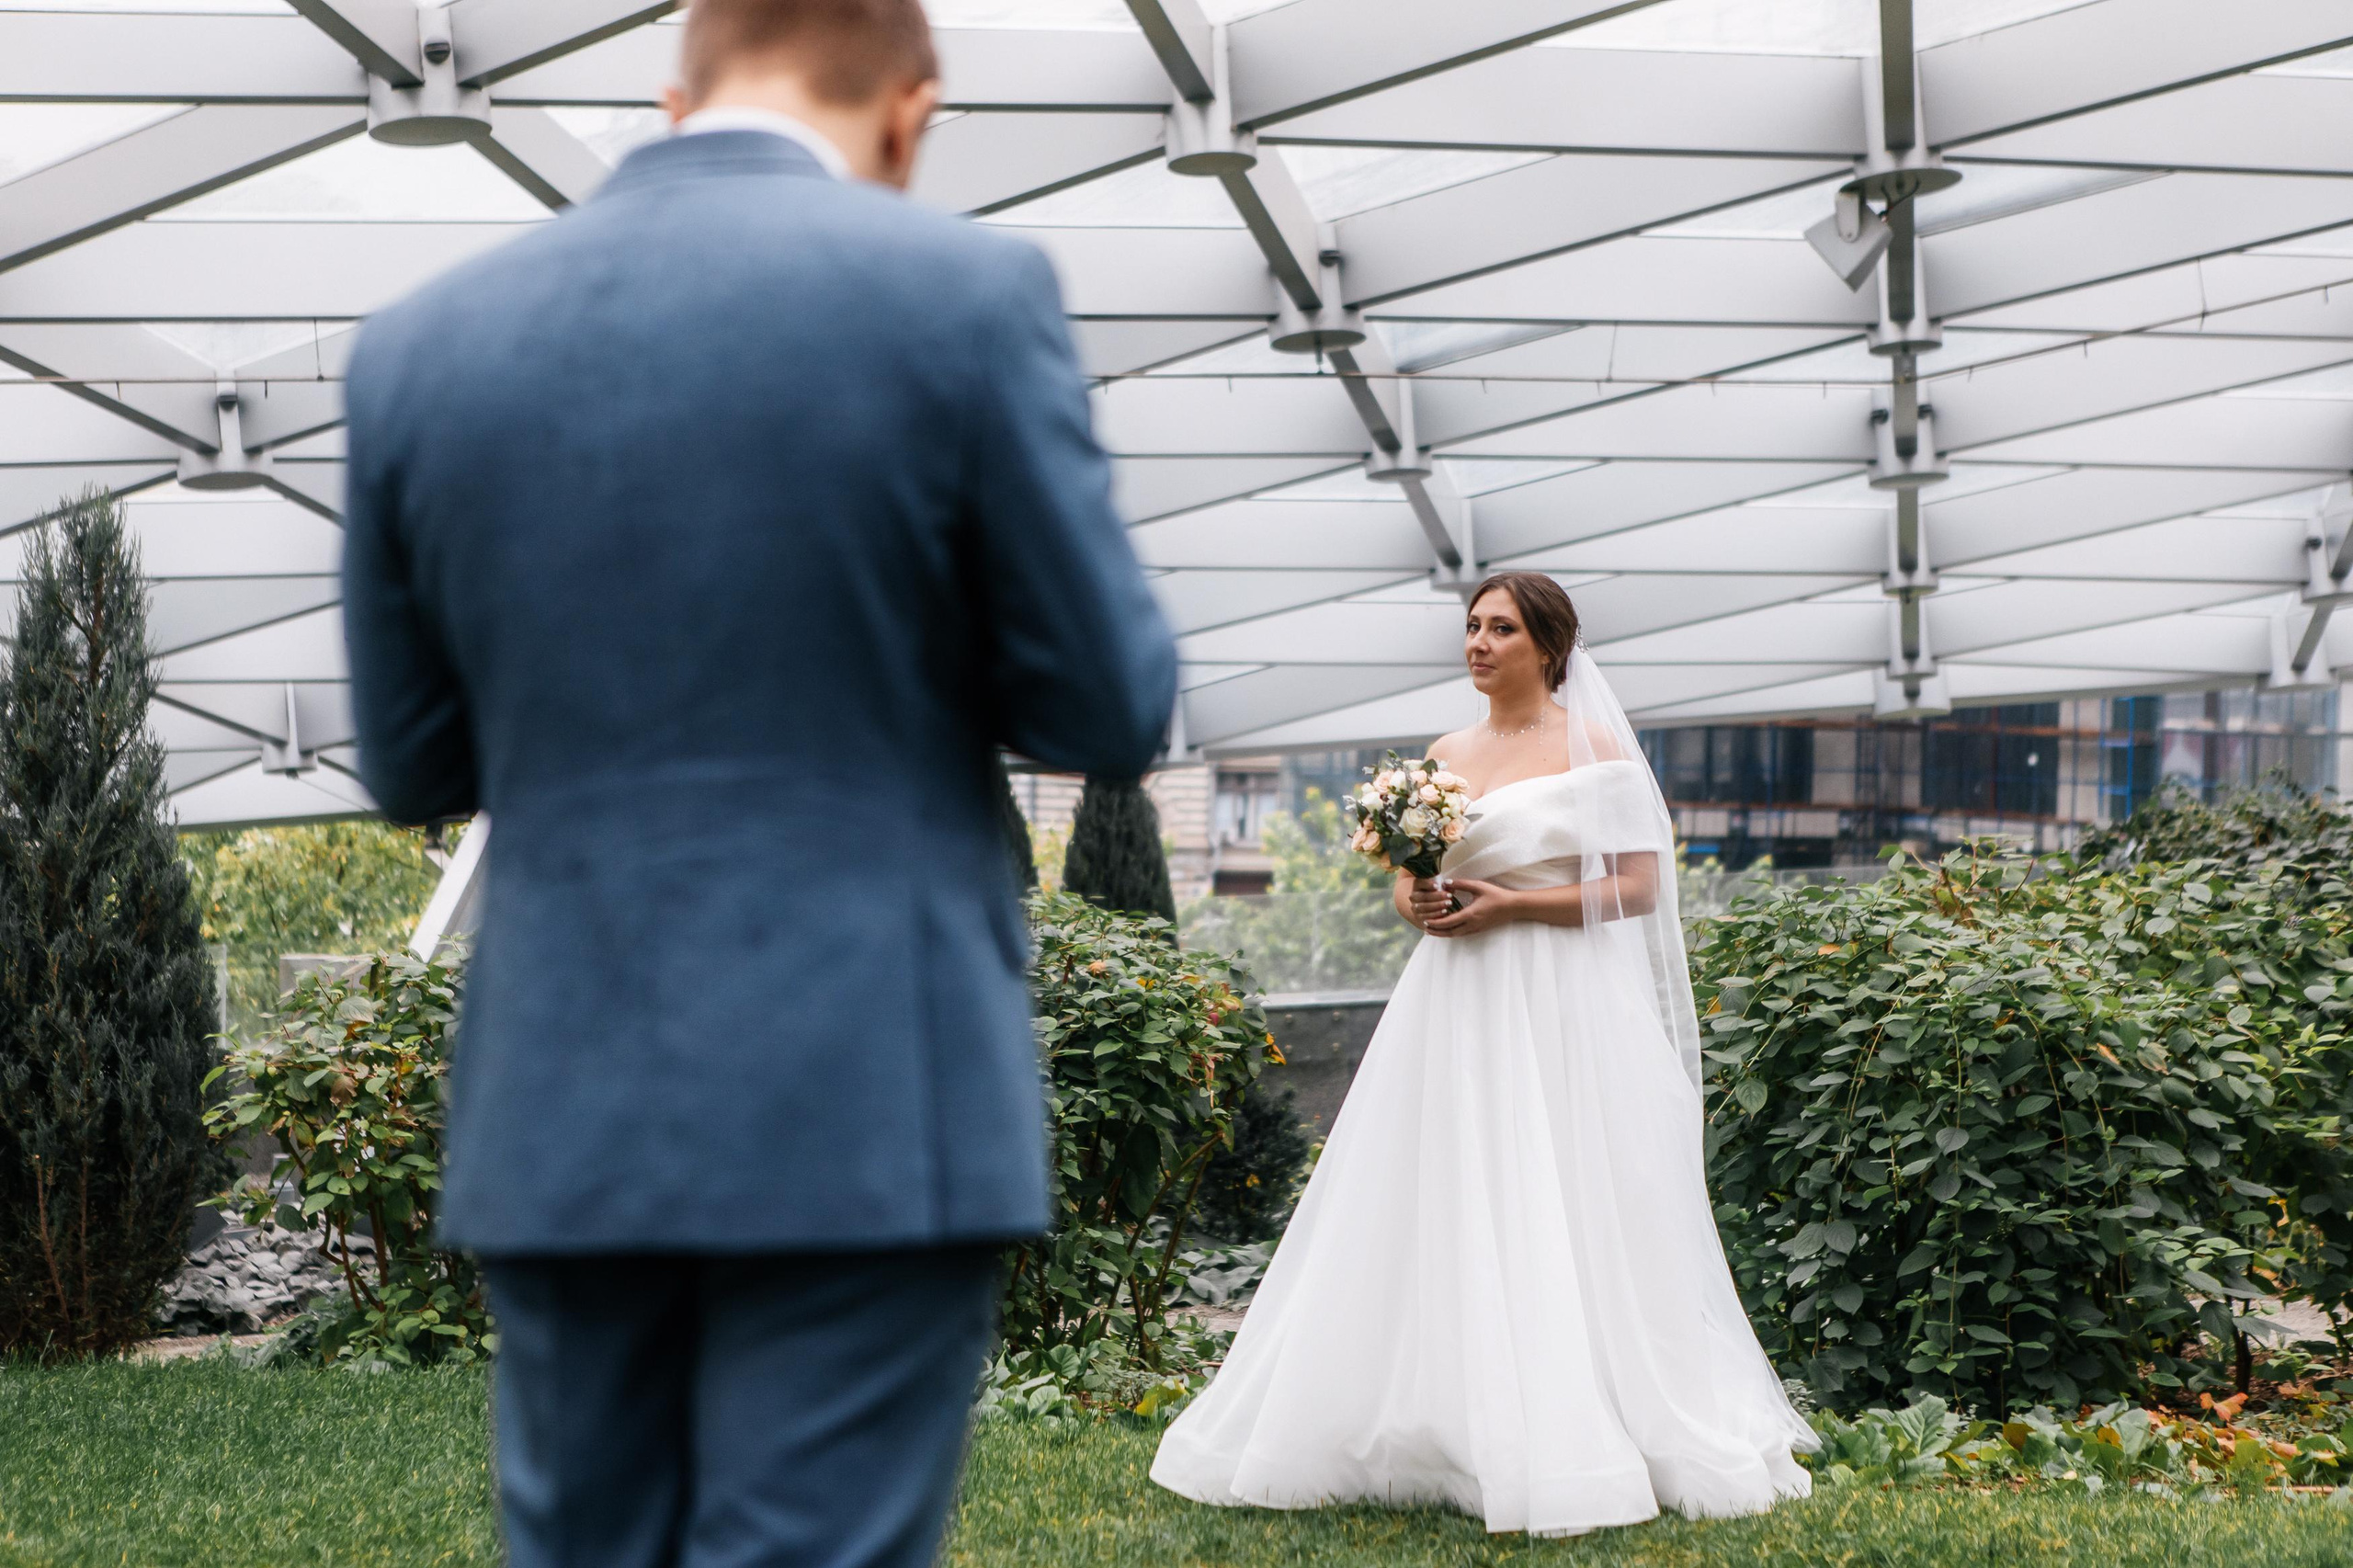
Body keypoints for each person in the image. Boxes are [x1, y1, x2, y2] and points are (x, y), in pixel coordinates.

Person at [338, 0, 1176, 1562]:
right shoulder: (966, 299)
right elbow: (1107, 704)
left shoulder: (422, 346)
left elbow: (415, 763)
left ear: (676, 100)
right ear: (912, 114)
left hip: (561, 1101)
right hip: (868, 1090)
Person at [1150, 572, 1814, 1536]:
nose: (1477, 641)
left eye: (1499, 627)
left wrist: (1514, 904)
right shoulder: (1442, 754)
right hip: (1454, 997)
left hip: (1559, 991)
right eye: (1470, 625)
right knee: (1438, 1183)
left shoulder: (1596, 751)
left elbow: (1633, 887)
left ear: (1547, 647)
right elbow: (1415, 877)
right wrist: (1414, 901)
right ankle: (1436, 1413)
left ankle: (1578, 1411)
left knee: (1566, 1183)